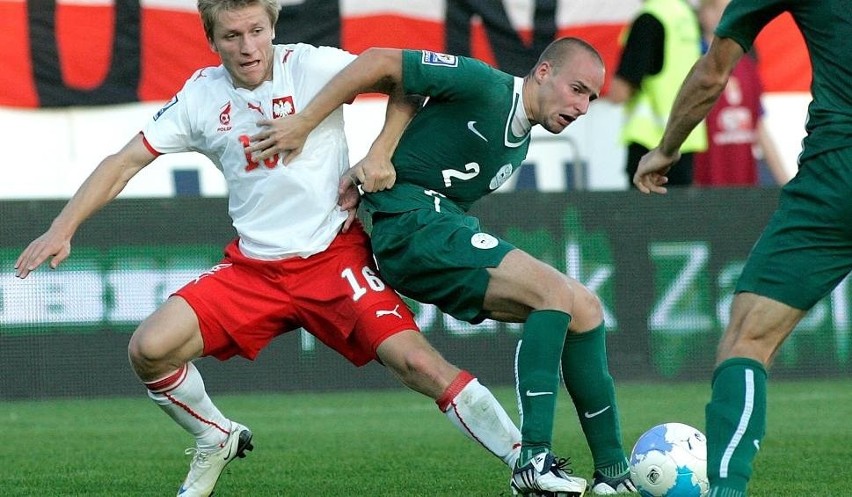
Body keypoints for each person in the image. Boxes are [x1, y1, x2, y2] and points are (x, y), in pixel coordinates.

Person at [13, 1, 527, 496]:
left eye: (256, 30)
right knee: (148, 350)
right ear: (212, 40)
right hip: (255, 269)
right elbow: (124, 161)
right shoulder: (200, 96)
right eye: (232, 36)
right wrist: (63, 228)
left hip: (334, 257)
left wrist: (379, 151)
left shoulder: (313, 66)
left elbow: (407, 85)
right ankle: (214, 435)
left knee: (421, 366)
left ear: (272, 26)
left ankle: (527, 463)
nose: (247, 46)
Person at [247, 38, 637, 496]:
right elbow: (380, 62)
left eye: (590, 96)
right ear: (544, 71)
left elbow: (413, 95)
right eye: (578, 89)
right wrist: (306, 125)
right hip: (413, 226)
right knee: (552, 293)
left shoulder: (519, 139)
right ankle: (533, 461)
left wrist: (380, 161)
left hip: (432, 231)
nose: (584, 105)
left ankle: (614, 475)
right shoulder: (486, 85)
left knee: (584, 307)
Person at [633, 1, 852, 495]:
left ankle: (729, 489)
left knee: (747, 341)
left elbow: (713, 73)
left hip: (838, 175)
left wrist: (667, 148)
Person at [608, 0, 707, 187]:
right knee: (678, 213)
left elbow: (620, 92)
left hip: (650, 146)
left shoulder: (649, 18)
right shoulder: (687, 16)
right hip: (685, 137)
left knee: (645, 214)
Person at [693, 0, 790, 187]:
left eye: (727, 9)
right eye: (714, 8)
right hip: (704, 181)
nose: (720, 15)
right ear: (701, 14)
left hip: (743, 178)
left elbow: (758, 124)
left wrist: (784, 182)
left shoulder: (747, 62)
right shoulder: (690, 59)